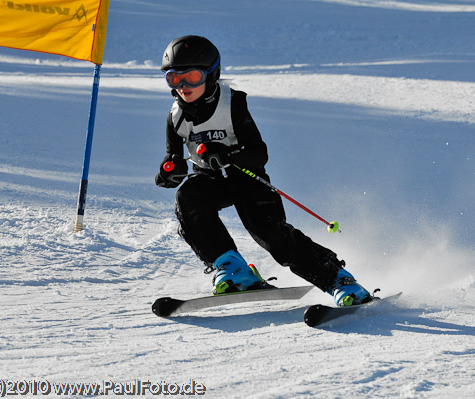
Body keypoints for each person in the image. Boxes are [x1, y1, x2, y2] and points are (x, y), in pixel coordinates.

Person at [155, 35, 373, 306]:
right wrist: (169, 172)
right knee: (187, 198)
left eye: (193, 77)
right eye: (174, 79)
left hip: (247, 178)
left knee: (271, 234)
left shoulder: (232, 103)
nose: (183, 86)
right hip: (209, 181)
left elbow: (259, 152)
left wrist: (226, 155)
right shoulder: (175, 116)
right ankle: (233, 270)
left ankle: (339, 281)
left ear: (212, 75)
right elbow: (173, 157)